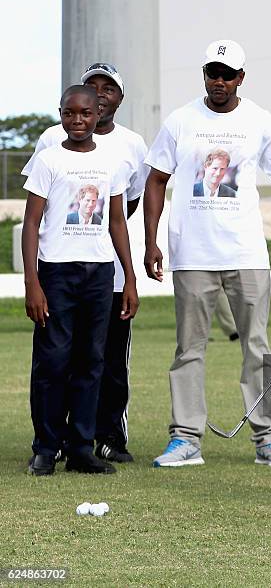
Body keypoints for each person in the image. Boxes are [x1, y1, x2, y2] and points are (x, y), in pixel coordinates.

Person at [144, 39, 271, 468]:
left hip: (247, 252)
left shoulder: (260, 122)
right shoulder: (180, 121)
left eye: (227, 74)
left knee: (257, 347)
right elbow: (156, 180)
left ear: (241, 78)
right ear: (205, 76)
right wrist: (151, 241)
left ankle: (269, 438)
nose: (219, 81)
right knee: (188, 349)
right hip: (192, 254)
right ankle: (186, 439)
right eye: (212, 73)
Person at [22, 62, 148, 463]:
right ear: (61, 116)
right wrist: (32, 282)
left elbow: (117, 222)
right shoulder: (48, 159)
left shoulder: (112, 161)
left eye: (86, 113)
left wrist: (129, 278)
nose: (78, 120)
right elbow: (31, 223)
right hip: (57, 271)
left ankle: (81, 448)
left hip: (100, 273)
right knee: (54, 360)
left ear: (100, 114)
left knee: (93, 362)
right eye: (70, 113)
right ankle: (46, 446)